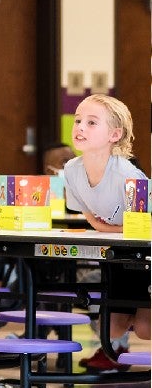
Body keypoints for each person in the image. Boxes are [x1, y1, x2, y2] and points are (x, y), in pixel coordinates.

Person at [63, 94, 150, 369]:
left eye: (91, 122)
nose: (80, 127)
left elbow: (142, 223)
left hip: (144, 254)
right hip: (117, 252)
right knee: (111, 329)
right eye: (78, 120)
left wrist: (110, 227)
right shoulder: (71, 170)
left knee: (147, 330)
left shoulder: (127, 174)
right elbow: (92, 220)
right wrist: (110, 228)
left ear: (114, 134)